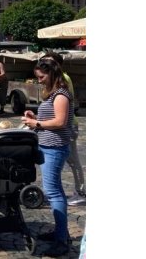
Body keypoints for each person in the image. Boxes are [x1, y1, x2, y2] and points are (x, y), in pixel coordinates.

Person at [20, 59, 73, 256]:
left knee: (53, 192)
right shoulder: (53, 94)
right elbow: (51, 118)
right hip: (48, 145)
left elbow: (60, 121)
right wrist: (35, 118)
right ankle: (61, 232)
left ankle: (61, 239)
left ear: (51, 73)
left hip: (55, 147)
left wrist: (37, 124)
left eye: (41, 77)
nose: (39, 81)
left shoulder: (61, 94)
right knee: (55, 190)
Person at [42, 52, 85, 206]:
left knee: (73, 161)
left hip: (68, 125)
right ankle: (56, 191)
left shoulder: (63, 80)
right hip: (62, 125)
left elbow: (63, 105)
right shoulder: (54, 80)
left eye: (49, 62)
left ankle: (81, 192)